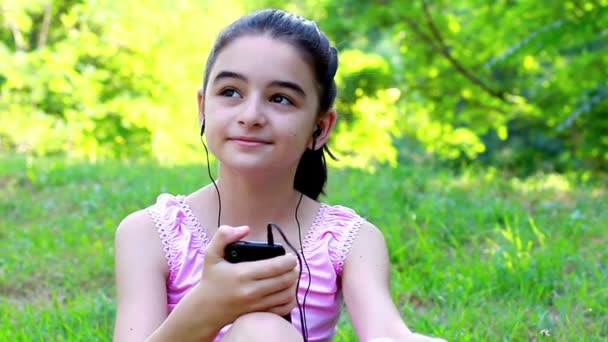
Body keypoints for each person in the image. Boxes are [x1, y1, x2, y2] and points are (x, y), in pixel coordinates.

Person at [113, 8, 446, 342]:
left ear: (320, 127)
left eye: (280, 99)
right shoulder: (151, 233)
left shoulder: (348, 241)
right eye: (230, 92)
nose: (251, 115)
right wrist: (207, 306)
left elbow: (386, 334)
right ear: (203, 106)